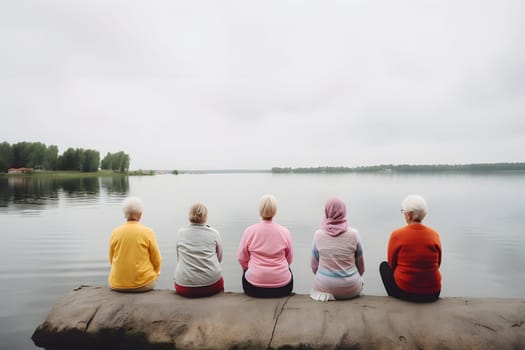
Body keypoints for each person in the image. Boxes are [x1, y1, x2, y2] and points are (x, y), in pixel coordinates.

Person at [380, 194, 442, 302]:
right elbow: (438, 263)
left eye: (403, 211)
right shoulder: (434, 234)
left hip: (406, 292)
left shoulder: (397, 235)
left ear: (409, 215)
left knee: (384, 266)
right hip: (433, 293)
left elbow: (392, 264)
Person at [237, 194, 294, 298]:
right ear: (275, 211)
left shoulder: (250, 231)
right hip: (283, 288)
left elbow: (242, 258)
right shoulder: (285, 232)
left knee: (247, 271)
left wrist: (249, 268)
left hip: (253, 288)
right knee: (288, 269)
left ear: (260, 210)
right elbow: (289, 259)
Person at [310, 197, 365, 301]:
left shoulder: (318, 235)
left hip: (324, 290)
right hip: (351, 289)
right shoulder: (354, 234)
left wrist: (326, 279)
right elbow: (361, 267)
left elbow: (314, 266)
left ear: (326, 212)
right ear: (344, 211)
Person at [108, 197, 162, 293]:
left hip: (116, 284)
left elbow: (111, 259)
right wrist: (156, 273)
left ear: (125, 214)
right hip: (143, 285)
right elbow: (156, 259)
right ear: (140, 214)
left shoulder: (115, 232)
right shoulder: (147, 232)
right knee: (154, 273)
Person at [174, 203, 224, 298]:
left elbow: (179, 258)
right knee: (218, 281)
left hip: (184, 286)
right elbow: (219, 258)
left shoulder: (181, 233)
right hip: (211, 284)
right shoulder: (214, 233)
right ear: (205, 216)